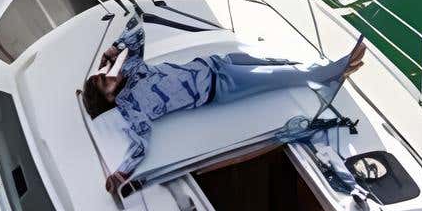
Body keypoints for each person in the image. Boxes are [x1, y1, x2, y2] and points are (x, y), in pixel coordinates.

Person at [82, 22, 367, 195]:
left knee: (277, 62)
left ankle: (329, 71)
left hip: (215, 62)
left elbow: (138, 31)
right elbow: (141, 140)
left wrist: (114, 49)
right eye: (104, 81)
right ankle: (336, 70)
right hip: (220, 86)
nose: (110, 75)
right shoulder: (131, 107)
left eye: (104, 72)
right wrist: (122, 172)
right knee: (283, 77)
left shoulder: (130, 70)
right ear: (107, 99)